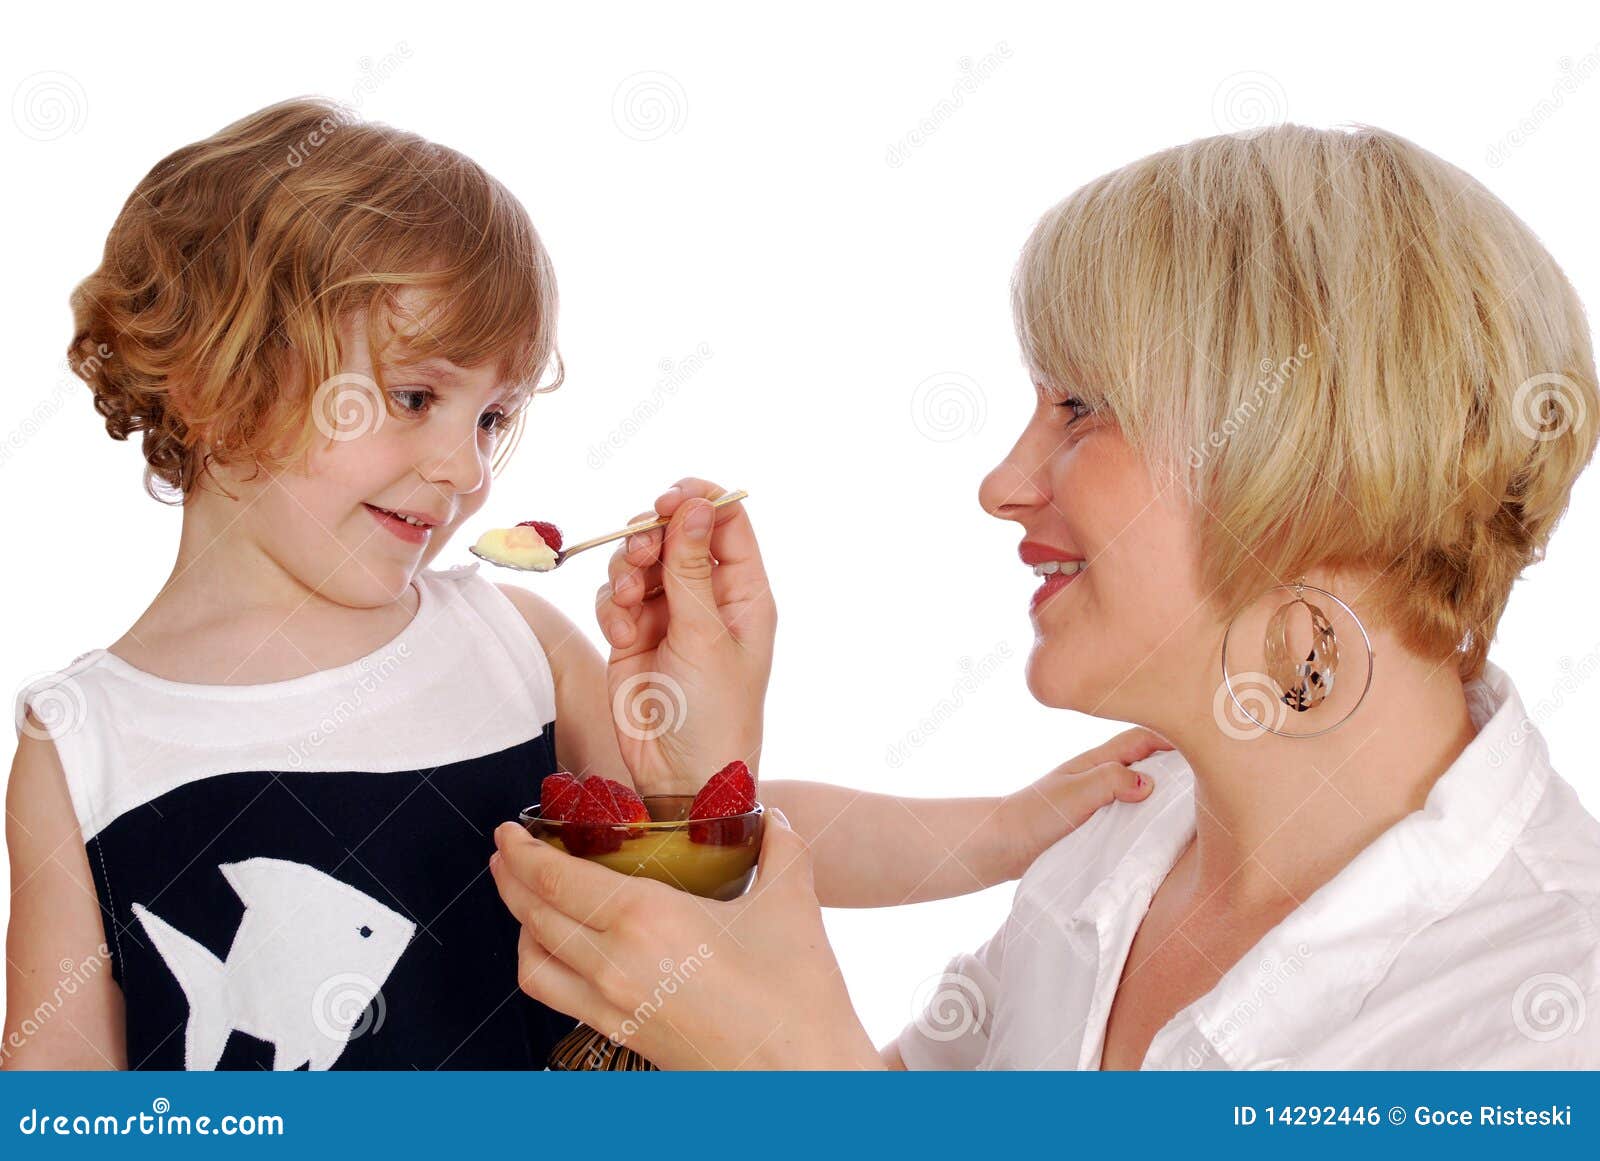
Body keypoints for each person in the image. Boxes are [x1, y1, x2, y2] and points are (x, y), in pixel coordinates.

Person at [4, 97, 1155, 1070]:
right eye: (416, 398)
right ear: (216, 379)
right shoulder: (84, 743)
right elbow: (56, 1094)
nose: (464, 470)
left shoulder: (512, 641)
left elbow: (729, 839)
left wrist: (1005, 831)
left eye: (495, 416)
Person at [491, 123, 1600, 1069]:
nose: (1002, 485)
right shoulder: (1115, 851)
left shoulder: (1550, 1009)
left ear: (1313, 464)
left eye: (1078, 408)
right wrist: (703, 796)